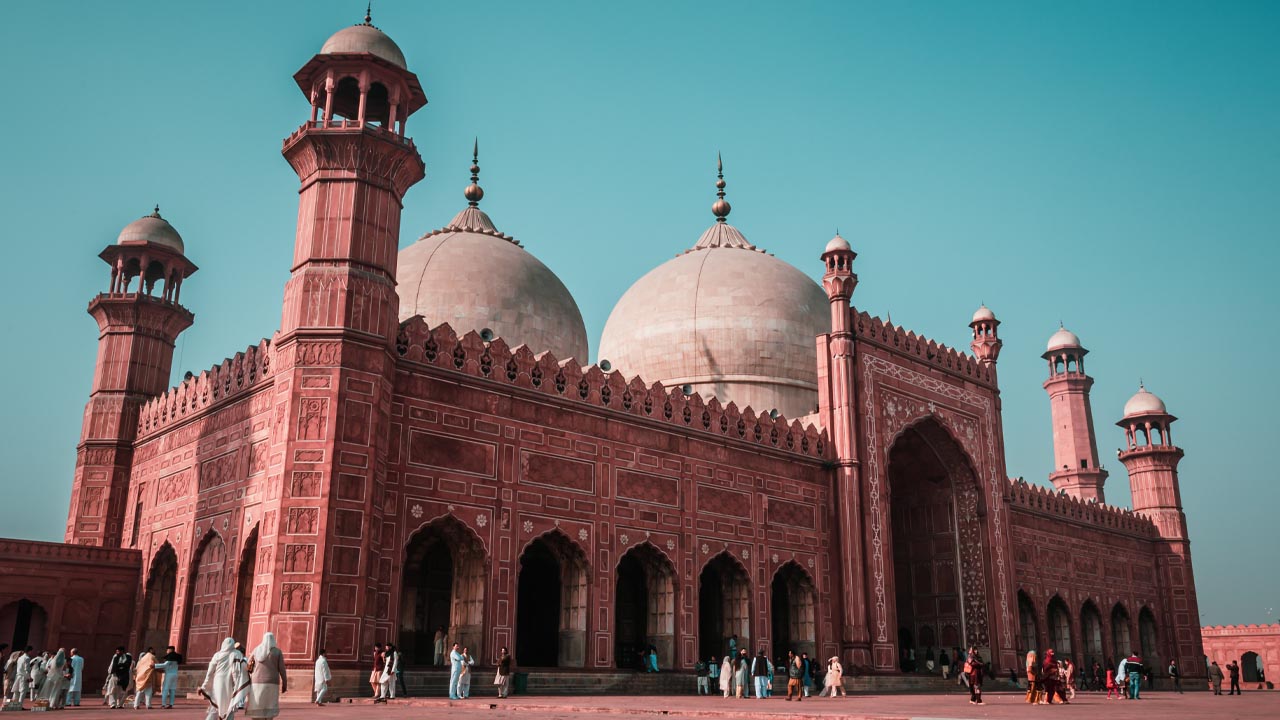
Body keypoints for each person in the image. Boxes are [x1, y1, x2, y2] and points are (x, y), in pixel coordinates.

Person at [199, 638, 246, 720]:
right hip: (230, 684)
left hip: (217, 683)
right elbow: (239, 670)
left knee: (215, 707)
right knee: (229, 707)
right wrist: (238, 685)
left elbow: (210, 672)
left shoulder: (217, 655)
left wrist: (204, 686)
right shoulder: (237, 654)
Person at [246, 632, 287, 719]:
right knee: (270, 703)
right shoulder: (277, 652)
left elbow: (248, 664)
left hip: (256, 681)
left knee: (257, 702)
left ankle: (256, 718)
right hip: (272, 682)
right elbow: (282, 669)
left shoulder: (256, 650)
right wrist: (285, 683)